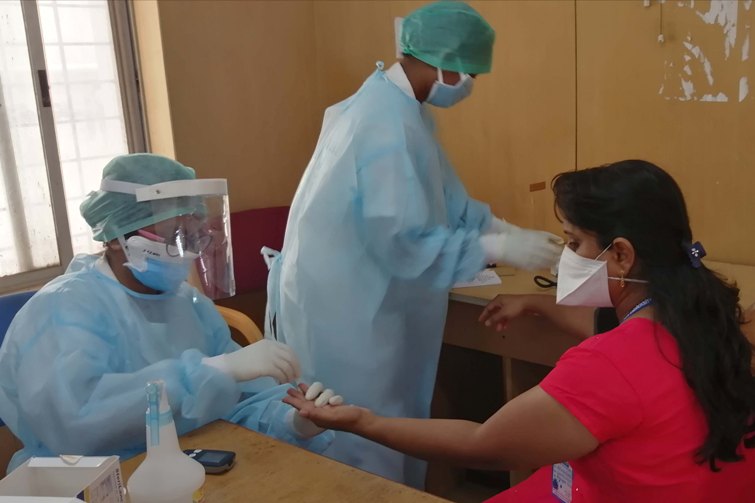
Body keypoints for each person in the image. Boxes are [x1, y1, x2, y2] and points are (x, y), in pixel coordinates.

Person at [285, 160, 755, 501]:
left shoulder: (608, 364)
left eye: (574, 242)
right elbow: (609, 330)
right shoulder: (712, 318)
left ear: (621, 255)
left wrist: (363, 421)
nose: (566, 256)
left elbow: (484, 445)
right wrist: (536, 303)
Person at [264, 1, 562, 487]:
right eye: (470, 74)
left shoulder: (401, 109)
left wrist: (502, 228)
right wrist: (493, 249)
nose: (470, 85)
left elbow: (444, 193)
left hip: (366, 304)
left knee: (388, 427)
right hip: (349, 317)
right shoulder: (383, 123)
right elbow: (401, 240)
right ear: (444, 63)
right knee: (362, 442)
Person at [0, 154, 337, 474]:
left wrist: (292, 421)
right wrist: (209, 371)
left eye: (196, 237)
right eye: (175, 236)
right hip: (88, 479)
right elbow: (78, 422)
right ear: (116, 237)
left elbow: (238, 401)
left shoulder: (190, 305)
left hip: (187, 466)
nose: (187, 253)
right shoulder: (64, 310)